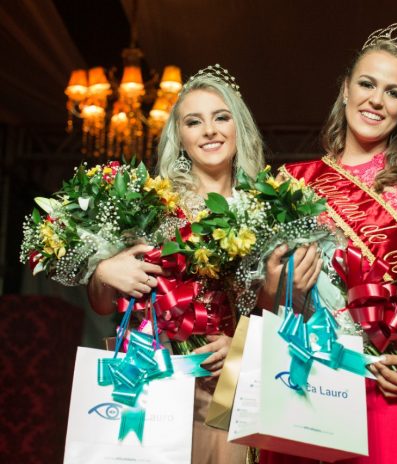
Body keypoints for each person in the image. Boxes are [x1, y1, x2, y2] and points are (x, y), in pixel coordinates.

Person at [87, 64, 319, 464]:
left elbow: (295, 316)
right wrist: (103, 272)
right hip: (154, 379)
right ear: (179, 137)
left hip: (230, 382)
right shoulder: (151, 204)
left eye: (221, 117)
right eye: (194, 121)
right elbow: (103, 305)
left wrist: (242, 344)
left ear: (239, 127)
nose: (209, 130)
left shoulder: (271, 208)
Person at [262, 21, 397, 464]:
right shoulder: (293, 181)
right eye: (367, 84)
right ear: (345, 89)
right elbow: (267, 304)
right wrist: (275, 287)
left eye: (393, 92)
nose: (376, 100)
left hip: (394, 369)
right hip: (312, 365)